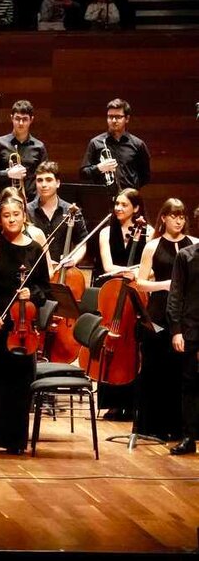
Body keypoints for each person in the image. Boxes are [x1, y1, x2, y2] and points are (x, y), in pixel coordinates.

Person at [0, 194, 50, 454]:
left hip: (22, 323)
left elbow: (44, 288)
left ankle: (15, 440)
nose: (12, 219)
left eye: (16, 214)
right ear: (0, 219)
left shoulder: (35, 250)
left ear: (23, 216)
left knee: (17, 380)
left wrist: (32, 295)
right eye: (6, 215)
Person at [134, 199, 196, 441]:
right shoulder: (153, 246)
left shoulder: (194, 245)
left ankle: (181, 427)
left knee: (180, 371)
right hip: (159, 312)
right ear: (163, 218)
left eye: (182, 216)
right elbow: (140, 282)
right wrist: (166, 285)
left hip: (183, 314)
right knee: (156, 369)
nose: (178, 221)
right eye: (173, 216)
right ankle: (155, 426)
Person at [95, 188, 154, 421]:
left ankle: (133, 401)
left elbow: (149, 269)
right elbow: (109, 267)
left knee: (133, 343)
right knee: (111, 340)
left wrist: (136, 272)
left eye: (124, 205)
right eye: (117, 204)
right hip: (112, 292)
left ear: (136, 208)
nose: (118, 208)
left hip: (137, 292)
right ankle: (111, 401)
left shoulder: (148, 233)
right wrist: (132, 270)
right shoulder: (106, 232)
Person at [166, 210, 199, 455]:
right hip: (191, 328)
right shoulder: (186, 257)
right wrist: (176, 330)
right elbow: (175, 294)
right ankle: (189, 436)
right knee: (189, 383)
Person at [79, 98, 151, 191]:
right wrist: (99, 168)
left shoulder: (138, 144)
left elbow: (145, 176)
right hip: (104, 198)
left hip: (128, 199)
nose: (113, 120)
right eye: (110, 116)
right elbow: (83, 174)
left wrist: (131, 189)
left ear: (127, 119)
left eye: (118, 117)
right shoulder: (96, 143)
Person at [0, 99, 49, 199]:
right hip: (6, 200)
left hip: (31, 202)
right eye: (17, 118)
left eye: (25, 119)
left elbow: (44, 176)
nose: (21, 123)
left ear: (31, 120)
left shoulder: (39, 147)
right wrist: (7, 174)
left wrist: (37, 202)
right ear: (11, 118)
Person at [26, 162, 88, 266]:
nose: (44, 185)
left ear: (58, 183)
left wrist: (74, 260)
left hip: (63, 271)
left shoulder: (72, 211)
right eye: (39, 180)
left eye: (49, 180)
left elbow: (81, 243)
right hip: (33, 271)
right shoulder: (26, 210)